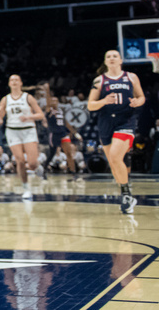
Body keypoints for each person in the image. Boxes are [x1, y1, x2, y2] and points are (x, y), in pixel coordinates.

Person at [86, 50, 145, 214]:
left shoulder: (131, 77)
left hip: (126, 120)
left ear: (120, 60)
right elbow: (90, 105)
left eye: (114, 56)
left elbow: (141, 97)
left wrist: (136, 102)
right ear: (105, 61)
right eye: (108, 56)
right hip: (106, 122)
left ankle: (127, 195)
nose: (111, 58)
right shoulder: (99, 80)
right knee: (113, 163)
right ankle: (125, 193)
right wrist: (104, 101)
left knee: (115, 156)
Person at [0, 74, 45, 200]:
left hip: (28, 130)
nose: (14, 82)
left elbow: (40, 115)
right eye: (12, 80)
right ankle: (26, 188)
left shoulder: (28, 97)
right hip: (12, 131)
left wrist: (29, 117)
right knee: (20, 160)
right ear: (9, 84)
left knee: (31, 163)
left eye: (16, 80)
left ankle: (37, 167)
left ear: (21, 83)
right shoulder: (5, 99)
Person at [42, 87, 79, 180]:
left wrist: (74, 132)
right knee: (52, 154)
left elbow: (66, 123)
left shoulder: (61, 111)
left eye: (56, 101)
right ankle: (44, 170)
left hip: (63, 133)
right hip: (54, 134)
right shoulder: (49, 110)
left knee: (69, 153)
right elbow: (47, 101)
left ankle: (73, 174)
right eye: (52, 101)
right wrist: (47, 91)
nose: (54, 102)